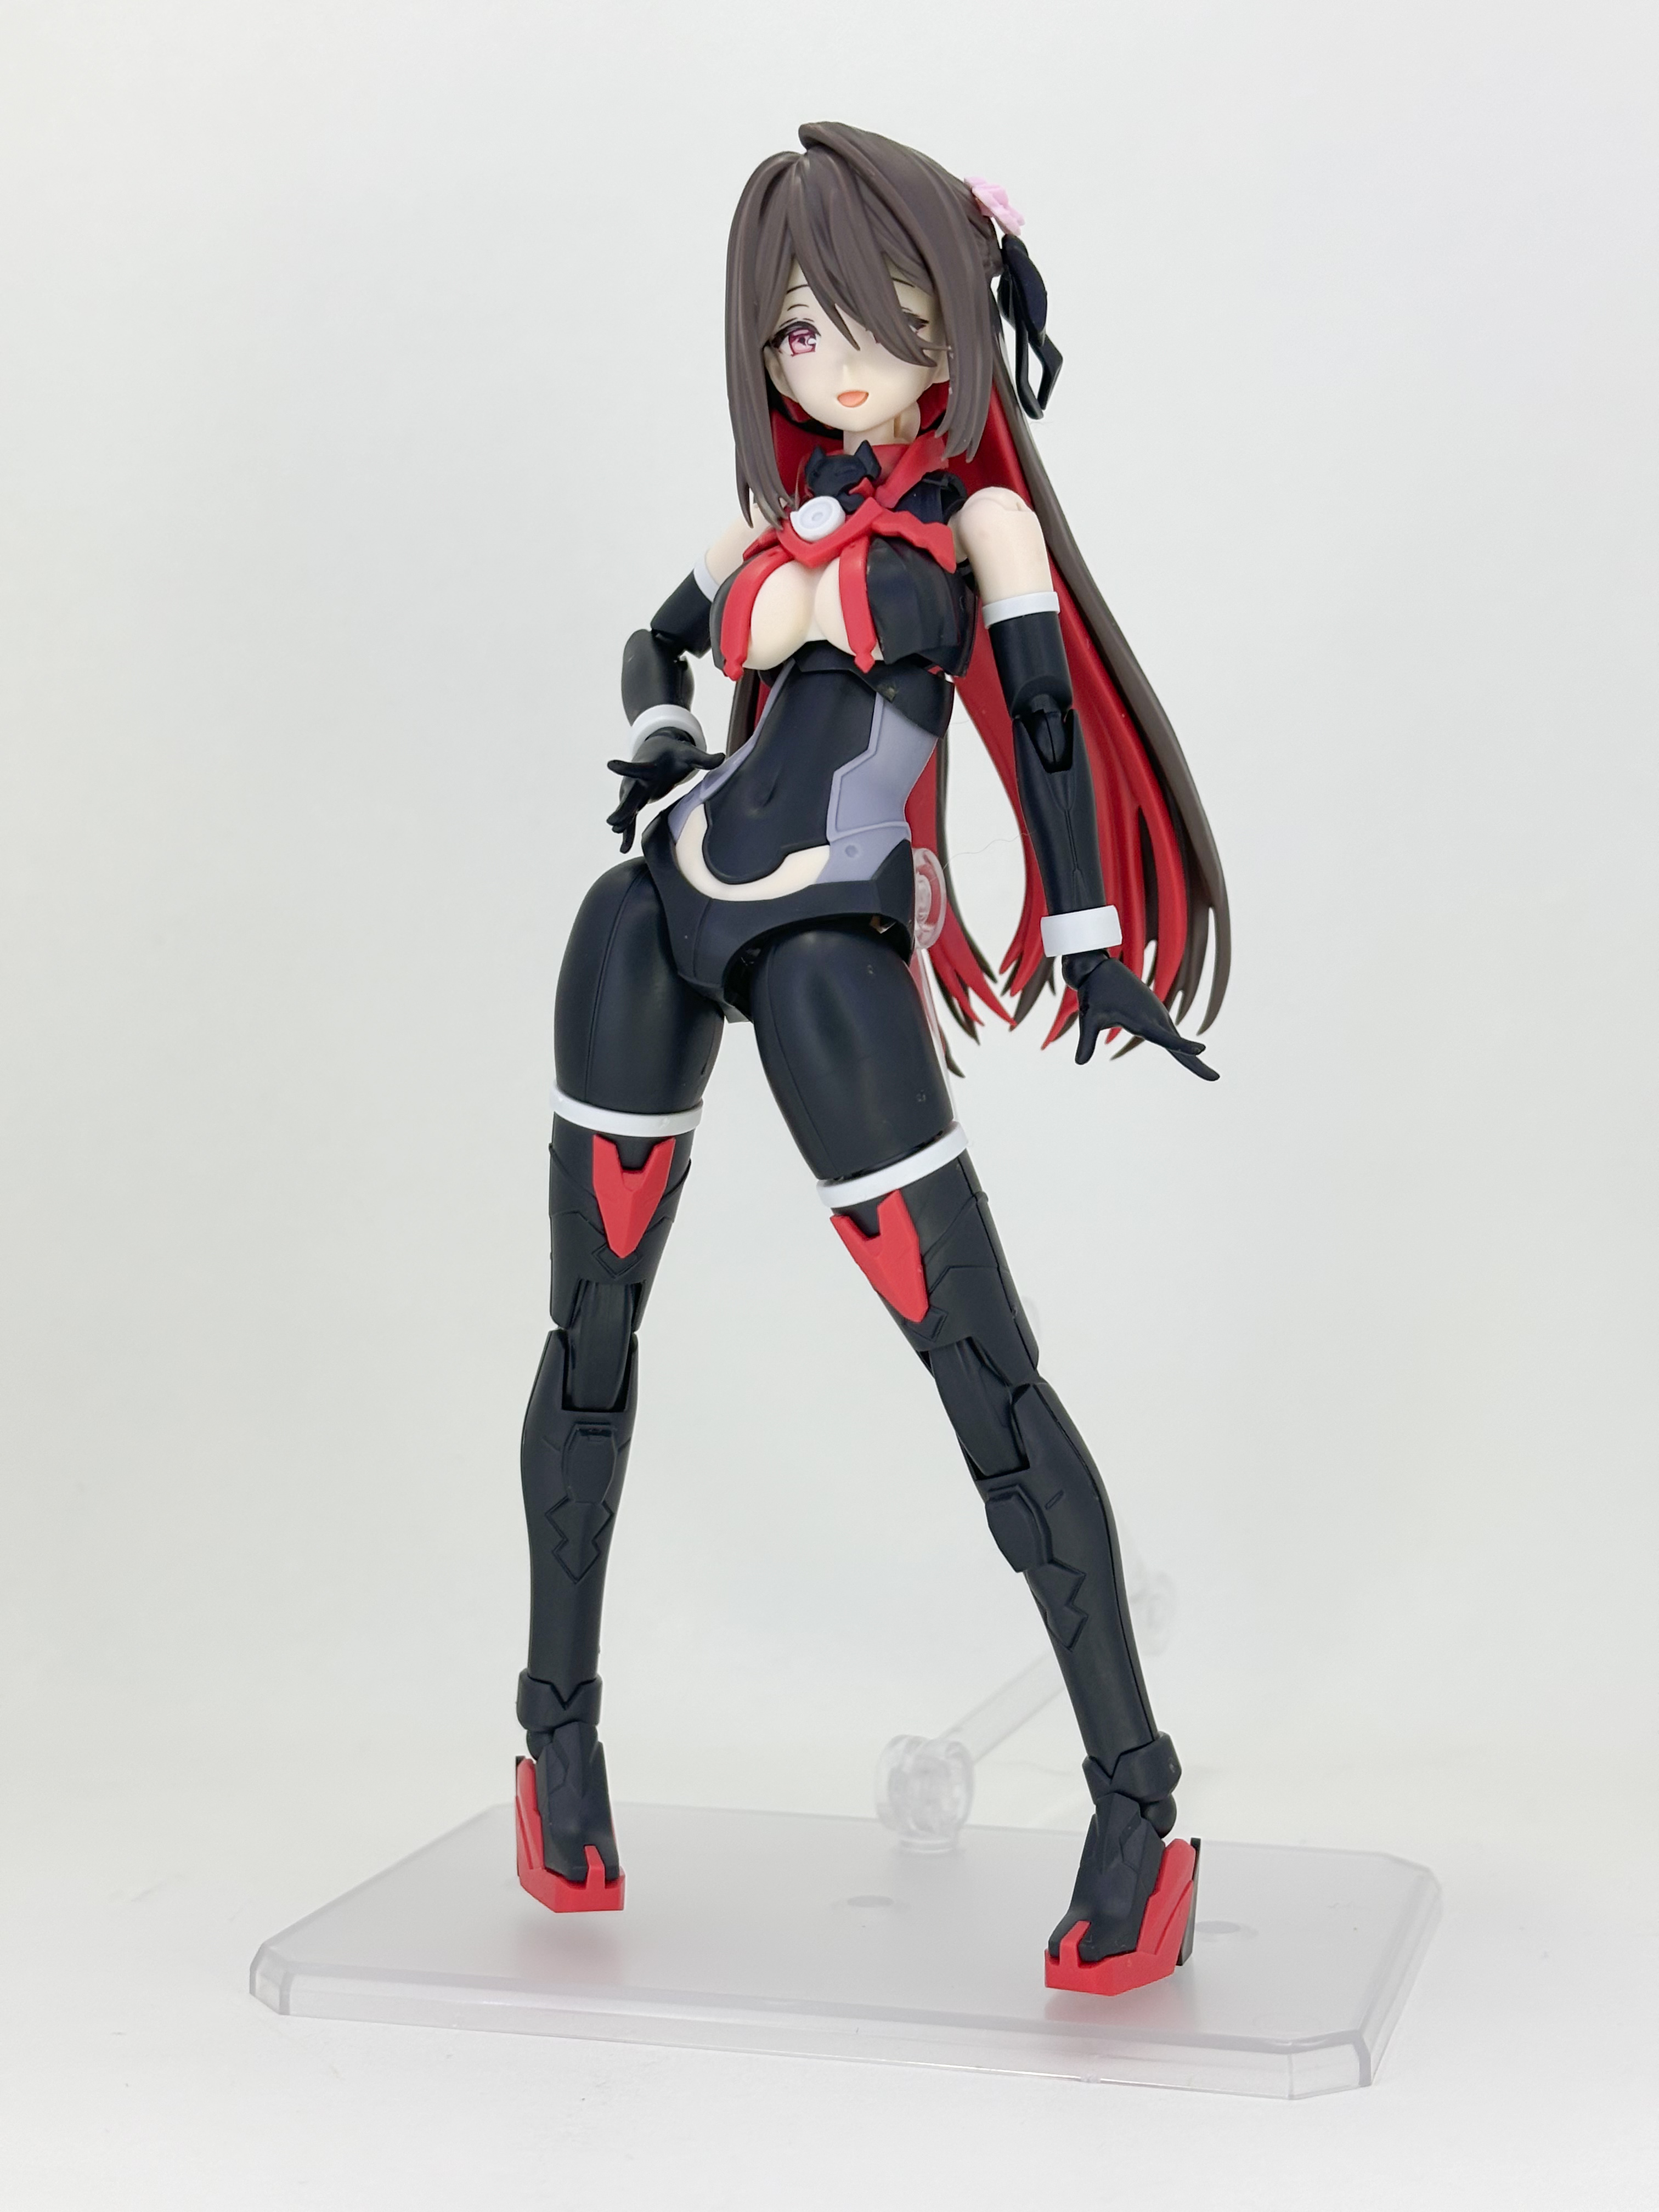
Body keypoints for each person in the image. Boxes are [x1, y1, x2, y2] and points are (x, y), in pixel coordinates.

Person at [513, 122, 1229, 1991]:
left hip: (833, 947)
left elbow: (1048, 732)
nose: (825, 357)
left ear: (954, 316)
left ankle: (1138, 1807)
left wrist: (1091, 941)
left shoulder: (979, 529)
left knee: (982, 1369)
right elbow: (652, 647)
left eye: (871, 310)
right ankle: (554, 1743)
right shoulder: (761, 526)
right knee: (588, 1339)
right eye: (793, 327)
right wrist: (662, 747)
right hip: (651, 913)